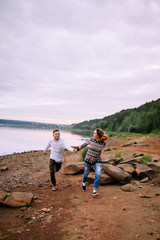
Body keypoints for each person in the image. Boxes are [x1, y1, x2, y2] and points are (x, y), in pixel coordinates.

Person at [76, 128, 108, 196]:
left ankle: (94, 190)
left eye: (94, 133)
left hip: (97, 161)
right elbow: (84, 144)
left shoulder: (103, 143)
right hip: (88, 160)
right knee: (86, 173)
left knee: (98, 174)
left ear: (98, 134)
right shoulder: (91, 139)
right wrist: (77, 149)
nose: (93, 134)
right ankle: (83, 182)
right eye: (93, 133)